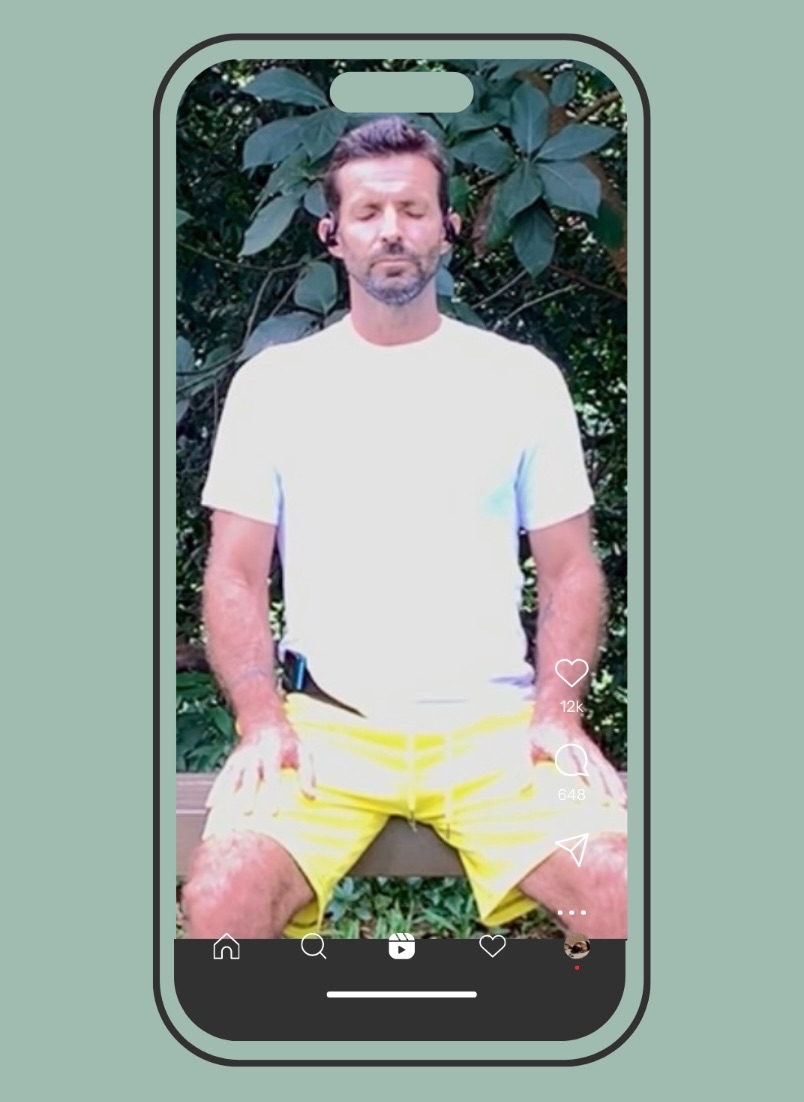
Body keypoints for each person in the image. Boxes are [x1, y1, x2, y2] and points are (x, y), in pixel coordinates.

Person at [182, 115, 627, 940]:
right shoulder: (274, 387)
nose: (392, 229)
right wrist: (260, 718)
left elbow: (570, 570)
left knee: (621, 888)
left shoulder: (520, 382)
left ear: (448, 228)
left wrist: (559, 713)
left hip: (496, 736)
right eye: (368, 212)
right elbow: (235, 574)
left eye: (414, 210)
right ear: (332, 235)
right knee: (223, 896)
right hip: (327, 733)